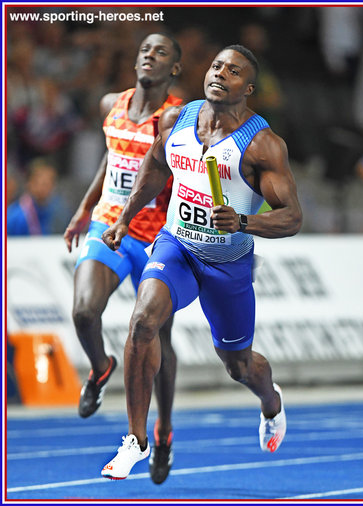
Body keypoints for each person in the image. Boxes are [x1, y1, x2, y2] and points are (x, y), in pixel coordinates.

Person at [100, 44, 303, 481]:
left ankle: (271, 403)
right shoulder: (178, 119)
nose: (219, 74)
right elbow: (155, 166)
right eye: (216, 66)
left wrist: (245, 221)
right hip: (176, 248)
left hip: (227, 266)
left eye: (232, 72)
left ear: (247, 88)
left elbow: (292, 217)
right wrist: (124, 219)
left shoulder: (262, 146)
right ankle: (136, 440)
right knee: (142, 322)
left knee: (239, 365)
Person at [63, 33, 183, 485]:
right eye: (144, 49)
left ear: (174, 68)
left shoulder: (176, 115)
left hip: (156, 237)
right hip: (107, 225)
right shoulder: (109, 104)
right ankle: (100, 367)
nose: (149, 55)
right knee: (83, 311)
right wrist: (82, 209)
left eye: (161, 52)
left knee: (158, 344)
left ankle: (164, 431)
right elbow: (111, 159)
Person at [7, 158, 70, 235]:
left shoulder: (61, 211)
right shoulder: (14, 216)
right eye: (41, 182)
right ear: (29, 183)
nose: (45, 187)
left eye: (49, 182)